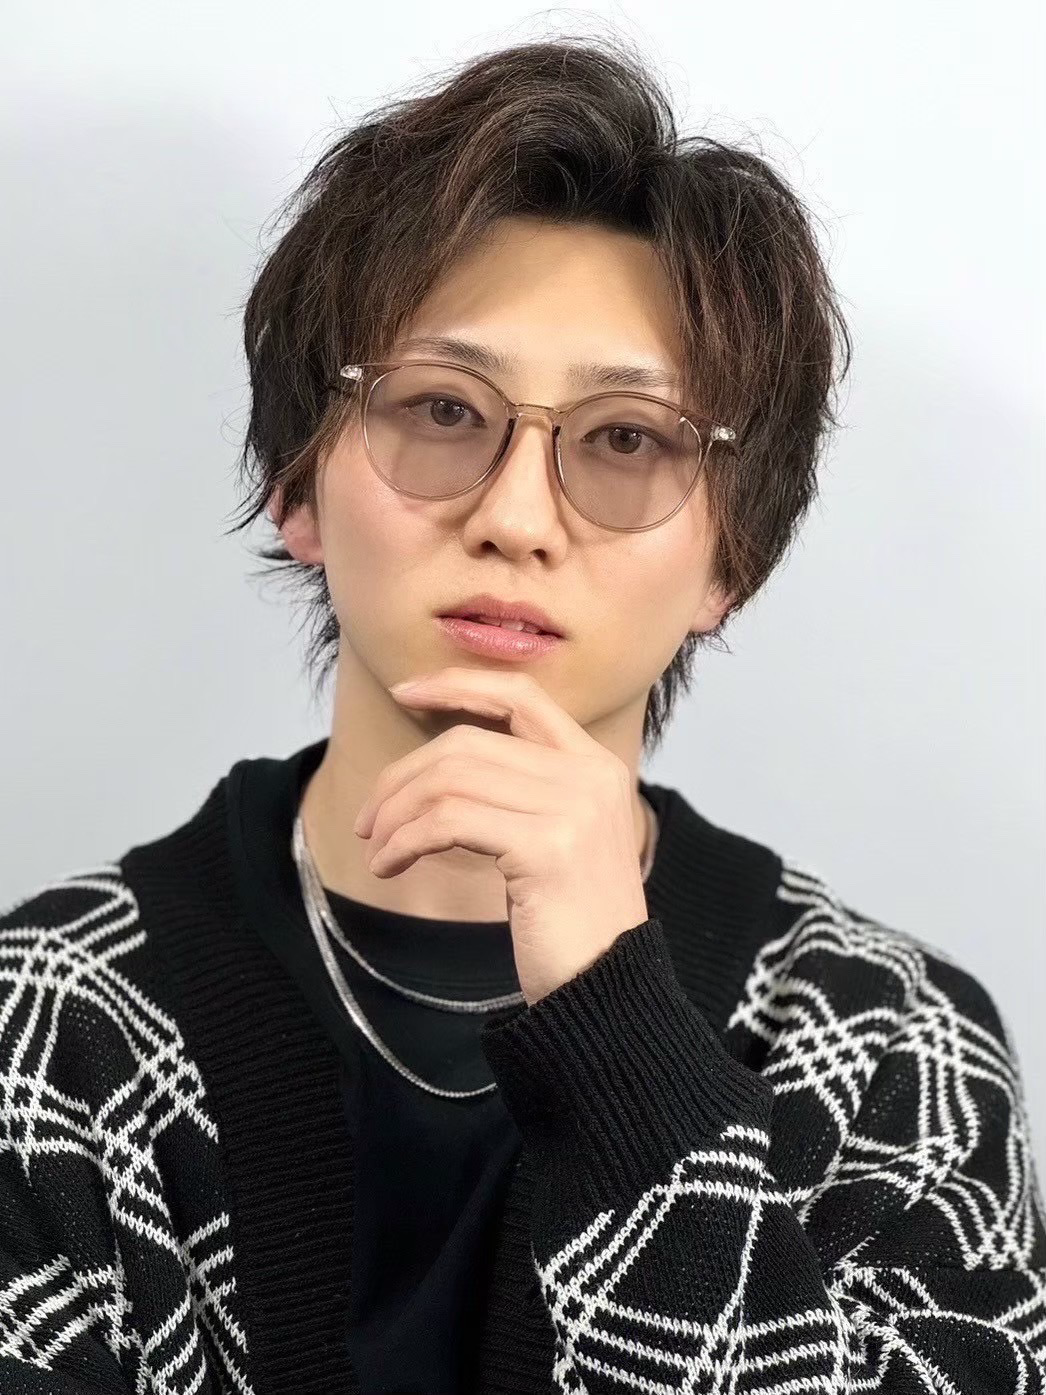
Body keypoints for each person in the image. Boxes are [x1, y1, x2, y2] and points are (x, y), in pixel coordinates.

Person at [2, 33, 1043, 1395]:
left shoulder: (889, 1041)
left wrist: (620, 1032)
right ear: (298, 486)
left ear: (729, 562)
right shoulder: (47, 1022)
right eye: (443, 410)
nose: (513, 516)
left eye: (626, 439)